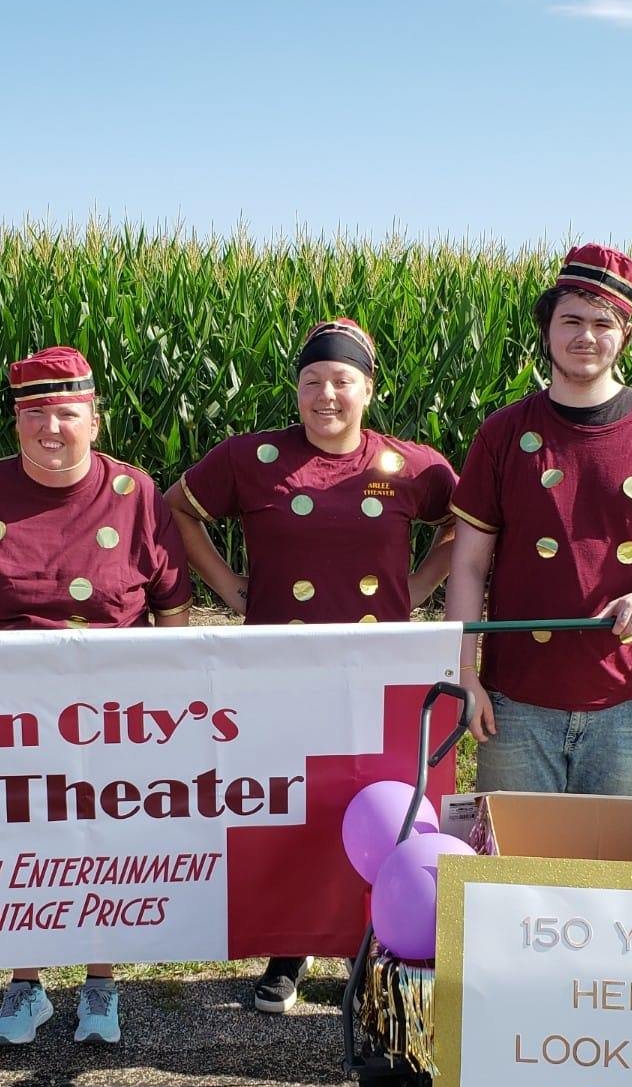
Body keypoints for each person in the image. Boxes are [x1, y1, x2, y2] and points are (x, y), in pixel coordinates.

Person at [169, 318, 458, 1013]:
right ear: (297, 389)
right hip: (280, 666)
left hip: (383, 669)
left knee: (383, 804)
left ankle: (379, 945)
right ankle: (288, 949)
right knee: (291, 800)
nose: (326, 395)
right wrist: (231, 588)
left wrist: (417, 588)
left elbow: (470, 525)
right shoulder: (251, 457)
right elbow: (176, 509)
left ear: (368, 388)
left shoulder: (413, 465)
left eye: (342, 381)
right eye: (312, 382)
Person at [0, 345, 193, 1045]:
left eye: (66, 412)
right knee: (16, 841)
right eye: (33, 412)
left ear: (94, 420)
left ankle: (101, 984)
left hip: (113, 717)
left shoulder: (135, 496)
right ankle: (25, 984)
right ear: (15, 424)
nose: (50, 427)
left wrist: (165, 705)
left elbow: (173, 613)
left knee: (103, 839)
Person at [446, 245, 632, 795]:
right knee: (512, 865)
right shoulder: (503, 433)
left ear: (625, 335)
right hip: (516, 698)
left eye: (604, 322)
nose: (586, 336)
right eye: (570, 319)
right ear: (546, 328)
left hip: (625, 697)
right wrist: (465, 674)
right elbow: (469, 564)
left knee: (607, 866)